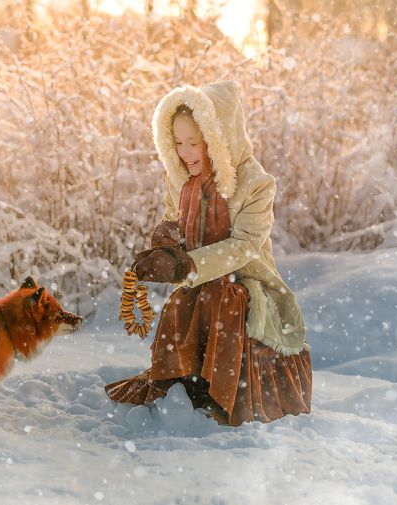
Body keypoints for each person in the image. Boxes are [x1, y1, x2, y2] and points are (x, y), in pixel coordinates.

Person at [105, 81, 312, 426]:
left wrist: (187, 264)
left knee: (221, 298)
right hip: (196, 279)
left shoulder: (255, 184)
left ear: (218, 140)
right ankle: (181, 381)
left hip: (246, 281)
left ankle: (219, 392)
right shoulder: (182, 180)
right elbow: (174, 219)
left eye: (194, 143)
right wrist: (167, 246)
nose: (185, 152)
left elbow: (245, 245)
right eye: (178, 143)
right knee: (183, 300)